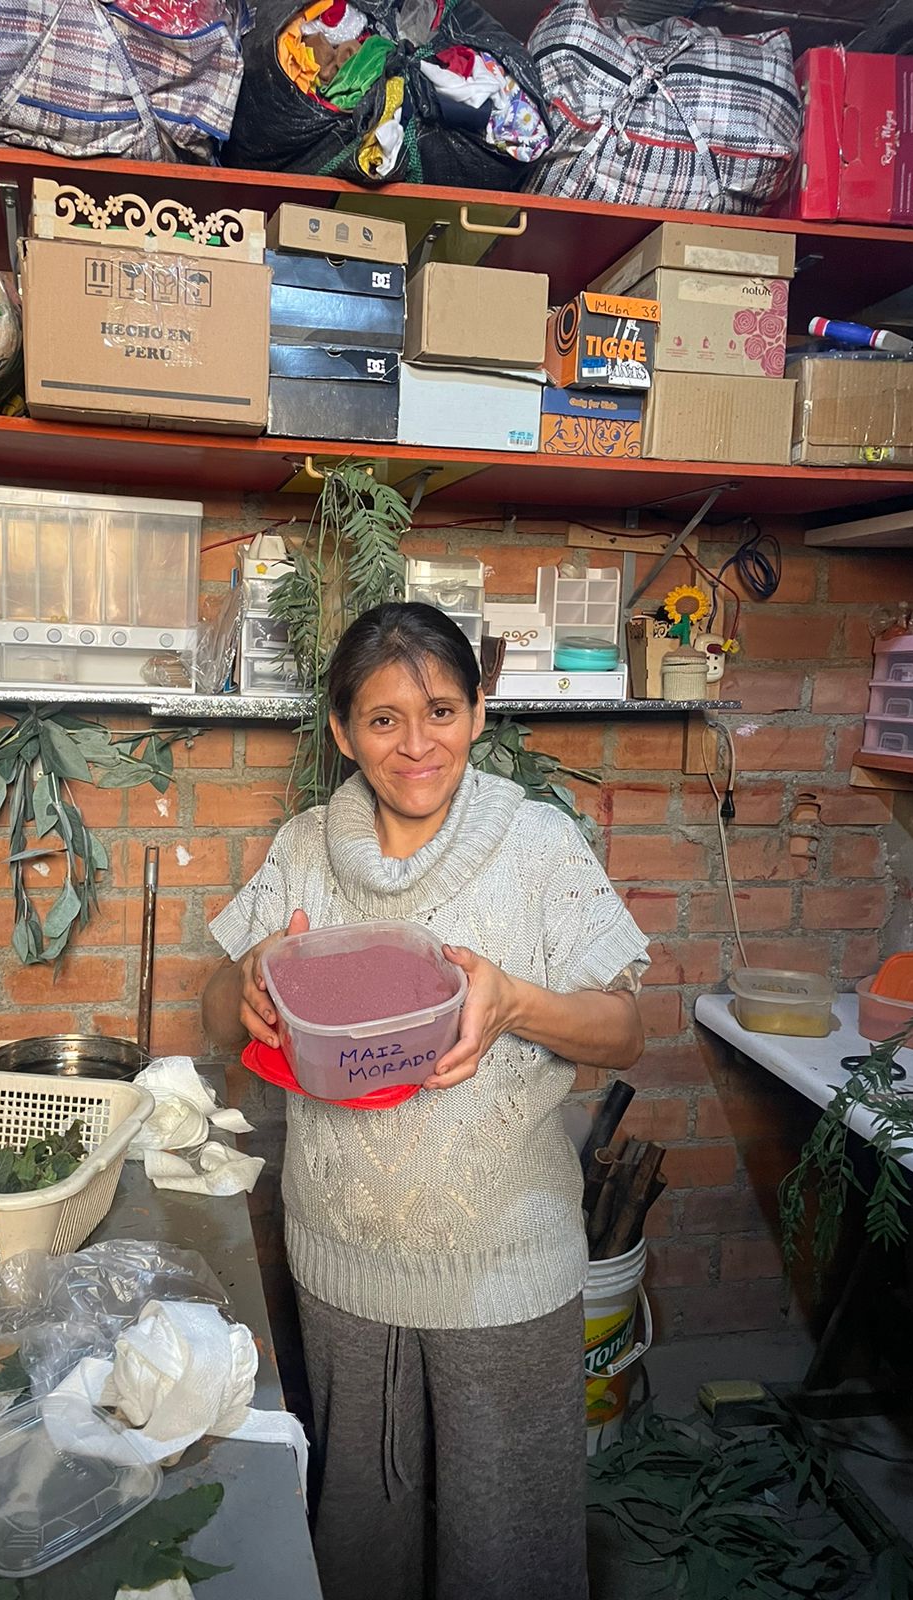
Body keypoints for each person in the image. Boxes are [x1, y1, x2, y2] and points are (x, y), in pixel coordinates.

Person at [202, 602, 648, 1600]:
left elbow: (626, 1030)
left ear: (479, 712)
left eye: (441, 711)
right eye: (383, 719)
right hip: (342, 1255)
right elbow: (216, 1007)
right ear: (341, 731)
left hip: (502, 1264)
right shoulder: (304, 849)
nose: (416, 744)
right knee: (365, 1521)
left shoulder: (538, 846)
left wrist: (516, 1002)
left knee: (509, 1540)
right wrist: (247, 987)